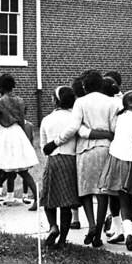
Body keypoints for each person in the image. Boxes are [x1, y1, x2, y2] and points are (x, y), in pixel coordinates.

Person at [57, 70, 121, 246]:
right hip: (106, 149)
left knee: (85, 189)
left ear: (84, 86)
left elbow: (74, 127)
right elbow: (115, 129)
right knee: (102, 192)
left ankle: (91, 224)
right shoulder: (112, 102)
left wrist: (56, 142)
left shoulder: (80, 102)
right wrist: (105, 134)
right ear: (101, 84)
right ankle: (98, 233)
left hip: (85, 149)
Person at [0, 73, 40, 213]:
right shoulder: (20, 101)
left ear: (1, 87)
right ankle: (38, 197)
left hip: (5, 133)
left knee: (0, 167)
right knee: (22, 170)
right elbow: (21, 120)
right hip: (18, 133)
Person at [98, 90, 132, 251]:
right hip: (131, 160)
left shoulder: (121, 117)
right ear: (130, 103)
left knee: (115, 196)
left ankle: (119, 230)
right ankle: (129, 235)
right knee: (129, 200)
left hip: (115, 157)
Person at [39, 86, 80, 248]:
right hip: (70, 160)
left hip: (53, 160)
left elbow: (43, 146)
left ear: (55, 100)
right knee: (66, 203)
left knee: (49, 199)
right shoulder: (75, 118)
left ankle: (52, 226)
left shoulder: (46, 120)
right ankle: (63, 239)